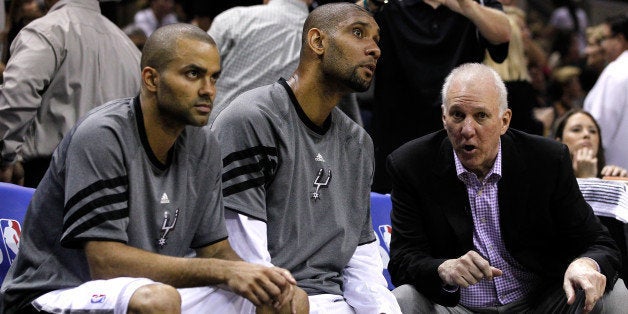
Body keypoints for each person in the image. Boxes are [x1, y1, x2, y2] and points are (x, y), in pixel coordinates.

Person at [1, 24, 307, 314]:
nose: (208, 90)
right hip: (52, 293)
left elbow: (214, 251)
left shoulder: (204, 145)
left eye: (213, 77)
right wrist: (224, 271)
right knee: (156, 299)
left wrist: (257, 275)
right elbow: (105, 264)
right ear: (151, 79)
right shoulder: (102, 135)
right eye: (193, 74)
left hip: (149, 290)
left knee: (285, 298)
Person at [387, 63, 627, 313]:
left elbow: (600, 242)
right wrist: (442, 268)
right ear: (444, 117)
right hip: (458, 307)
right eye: (458, 115)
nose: (467, 130)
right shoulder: (411, 164)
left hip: (540, 304)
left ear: (504, 121)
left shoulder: (546, 160)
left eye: (481, 116)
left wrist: (586, 264)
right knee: (403, 299)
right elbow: (402, 260)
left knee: (613, 293)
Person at [211, 3, 401, 313]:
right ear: (317, 42)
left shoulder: (358, 142)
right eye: (358, 33)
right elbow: (245, 261)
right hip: (255, 299)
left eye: (377, 40)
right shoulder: (251, 120)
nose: (374, 49)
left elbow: (362, 261)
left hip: (330, 299)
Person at [359, 0, 511, 193]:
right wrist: (371, 4)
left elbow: (503, 34)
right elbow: (346, 25)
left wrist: (467, 6)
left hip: (458, 133)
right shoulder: (390, 5)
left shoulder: (472, 3)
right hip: (395, 129)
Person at [0, 0, 141, 188]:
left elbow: (17, 94)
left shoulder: (47, 30)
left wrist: (5, 156)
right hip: (113, 181)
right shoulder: (129, 47)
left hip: (49, 176)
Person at [207, 0, 311, 123]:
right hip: (273, 138)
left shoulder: (235, 18)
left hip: (212, 130)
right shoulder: (319, 42)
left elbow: (193, 71)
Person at [583, 14, 628, 170]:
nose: (602, 45)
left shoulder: (617, 71)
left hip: (613, 171)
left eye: (605, 39)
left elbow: (599, 126)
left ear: (620, 40)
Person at [554, 109, 628, 179]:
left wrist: (620, 185)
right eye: (576, 130)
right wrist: (586, 177)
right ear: (559, 141)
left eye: (592, 131)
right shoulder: (548, 178)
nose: (587, 134)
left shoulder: (608, 176)